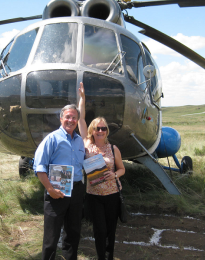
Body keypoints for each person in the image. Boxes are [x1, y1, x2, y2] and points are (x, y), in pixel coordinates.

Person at [78, 82, 125, 260]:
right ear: (92, 130)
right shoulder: (87, 144)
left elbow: (122, 169)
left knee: (111, 229)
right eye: (97, 128)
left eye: (103, 128)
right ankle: (101, 257)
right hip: (94, 195)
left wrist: (114, 174)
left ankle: (109, 256)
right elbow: (81, 119)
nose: (100, 130)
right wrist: (82, 99)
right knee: (100, 229)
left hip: (112, 194)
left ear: (106, 132)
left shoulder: (114, 149)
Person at [33, 104, 85, 260]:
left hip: (76, 191)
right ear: (61, 118)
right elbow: (40, 167)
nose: (70, 120)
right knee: (51, 236)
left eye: (74, 117)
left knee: (73, 233)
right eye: (67, 117)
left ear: (77, 120)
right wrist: (50, 189)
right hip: (56, 192)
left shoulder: (79, 141)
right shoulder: (52, 139)